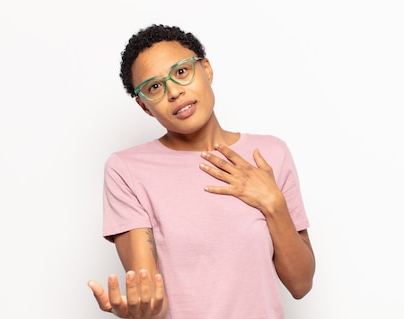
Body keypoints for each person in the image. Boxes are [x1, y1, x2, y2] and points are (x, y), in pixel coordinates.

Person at [87, 24, 316, 319]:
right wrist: (140, 309)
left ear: (206, 69)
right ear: (144, 105)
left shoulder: (270, 154)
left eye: (181, 72)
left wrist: (272, 203)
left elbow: (301, 283)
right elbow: (149, 296)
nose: (174, 92)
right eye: (154, 87)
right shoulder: (127, 170)